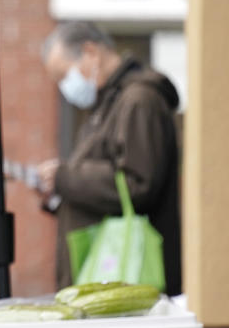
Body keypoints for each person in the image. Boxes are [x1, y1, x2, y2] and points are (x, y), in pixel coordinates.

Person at [36, 21, 181, 295]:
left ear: (91, 52)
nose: (65, 87)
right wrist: (59, 194)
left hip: (127, 283)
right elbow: (102, 193)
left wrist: (65, 177)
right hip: (107, 279)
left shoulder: (139, 100)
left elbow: (137, 184)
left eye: (63, 76)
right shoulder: (109, 103)